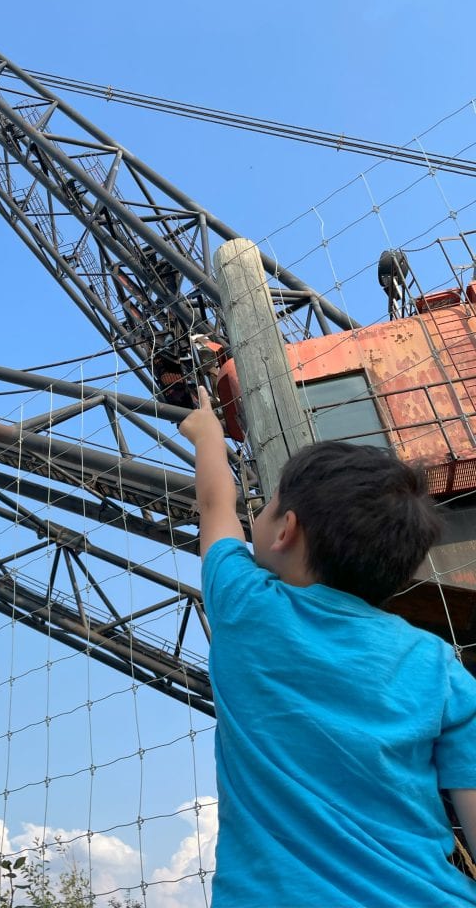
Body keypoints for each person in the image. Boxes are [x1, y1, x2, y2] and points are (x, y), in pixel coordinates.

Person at [179, 387, 476, 907]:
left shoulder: (244, 606)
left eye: (268, 503)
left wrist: (208, 434)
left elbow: (214, 505)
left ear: (285, 530)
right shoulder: (439, 666)